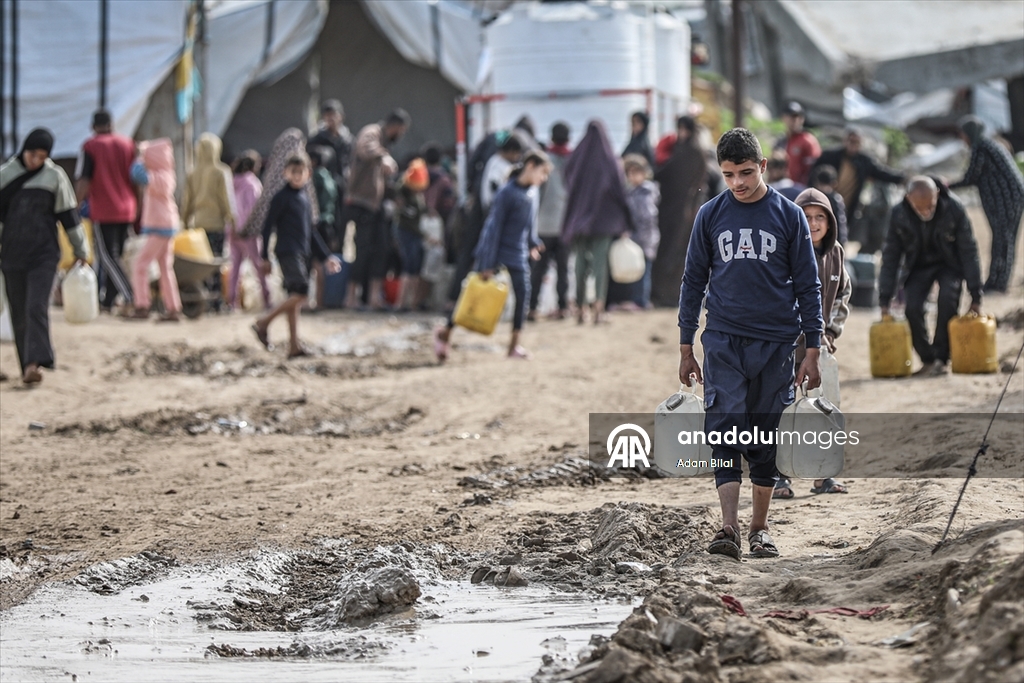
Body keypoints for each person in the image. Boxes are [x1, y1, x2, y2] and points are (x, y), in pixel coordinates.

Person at [678, 128, 822, 560]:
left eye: (745, 172)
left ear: (762, 166)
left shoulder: (789, 216)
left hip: (776, 343)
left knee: (762, 435)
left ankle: (760, 528)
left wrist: (812, 349)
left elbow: (808, 285)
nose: (737, 182)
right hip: (723, 339)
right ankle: (729, 527)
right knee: (724, 425)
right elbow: (692, 281)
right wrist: (686, 345)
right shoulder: (710, 215)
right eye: (728, 175)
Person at [434, 150, 551, 361]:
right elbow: (493, 228)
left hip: (518, 252)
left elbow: (529, 224)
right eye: (542, 172)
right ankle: (445, 332)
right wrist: (487, 263)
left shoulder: (533, 193)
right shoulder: (507, 192)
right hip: (497, 251)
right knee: (472, 296)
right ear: (530, 166)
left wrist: (533, 243)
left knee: (523, 294)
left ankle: (514, 345)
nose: (543, 178)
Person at [773, 188, 852, 499]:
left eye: (820, 217)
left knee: (824, 410)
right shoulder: (782, 251)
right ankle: (779, 477)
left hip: (819, 349)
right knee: (783, 413)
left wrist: (829, 332)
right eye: (806, 217)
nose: (814, 223)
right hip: (784, 349)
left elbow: (843, 294)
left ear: (830, 222)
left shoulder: (836, 253)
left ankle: (824, 475)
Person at [1, 128, 90, 384]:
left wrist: (80, 249)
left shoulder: (54, 177)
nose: (35, 161)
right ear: (24, 150)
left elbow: (69, 217)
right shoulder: (5, 175)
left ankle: (35, 363)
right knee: (18, 311)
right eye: (32, 155)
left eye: (42, 157)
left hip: (44, 254)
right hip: (12, 255)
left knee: (36, 306)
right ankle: (26, 366)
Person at [878, 176, 983, 377]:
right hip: (918, 266)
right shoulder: (899, 214)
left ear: (937, 194)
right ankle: (928, 359)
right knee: (912, 308)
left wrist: (976, 294)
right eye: (920, 208)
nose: (926, 212)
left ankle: (942, 358)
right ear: (908, 199)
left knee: (947, 301)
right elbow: (891, 256)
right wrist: (884, 299)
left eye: (930, 206)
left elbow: (969, 251)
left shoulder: (954, 208)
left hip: (949, 265)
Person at [252, 154, 341, 358]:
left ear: (308, 174)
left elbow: (311, 232)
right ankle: (263, 322)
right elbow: (267, 227)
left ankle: (294, 346)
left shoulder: (305, 198)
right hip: (287, 251)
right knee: (301, 293)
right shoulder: (281, 197)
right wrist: (264, 256)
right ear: (285, 173)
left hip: (302, 252)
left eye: (301, 172)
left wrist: (326, 257)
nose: (297, 176)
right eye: (293, 172)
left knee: (295, 298)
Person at [563, 121, 633, 325]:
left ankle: (580, 308)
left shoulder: (577, 158)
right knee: (600, 265)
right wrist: (626, 219)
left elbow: (568, 180)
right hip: (604, 222)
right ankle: (599, 309)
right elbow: (620, 190)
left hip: (579, 221)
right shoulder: (610, 160)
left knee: (580, 264)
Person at [949, 116, 1024, 293]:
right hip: (1011, 198)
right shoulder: (989, 146)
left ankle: (998, 283)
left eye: (962, 134)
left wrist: (947, 186)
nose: (962, 138)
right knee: (1005, 240)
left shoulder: (981, 148)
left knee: (1002, 240)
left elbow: (971, 177)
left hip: (1005, 200)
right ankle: (998, 281)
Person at [346, 108, 410, 310]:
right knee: (362, 249)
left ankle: (374, 297)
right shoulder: (372, 133)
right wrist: (383, 157)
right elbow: (366, 148)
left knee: (382, 249)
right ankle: (351, 297)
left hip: (376, 205)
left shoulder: (385, 142)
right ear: (396, 127)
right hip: (361, 202)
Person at [75, 109, 136, 311]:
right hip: (127, 208)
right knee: (116, 256)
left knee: (108, 256)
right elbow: (135, 178)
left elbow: (84, 179)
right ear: (112, 125)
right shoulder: (127, 144)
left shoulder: (90, 146)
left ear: (93, 127)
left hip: (105, 209)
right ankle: (109, 300)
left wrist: (75, 204)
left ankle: (131, 296)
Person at [811, 127, 905, 253]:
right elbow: (814, 175)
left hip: (847, 206)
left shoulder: (864, 162)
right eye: (851, 141)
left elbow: (881, 173)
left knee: (838, 237)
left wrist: (902, 179)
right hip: (824, 203)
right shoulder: (830, 156)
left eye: (856, 142)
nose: (853, 145)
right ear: (845, 141)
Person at [651, 116, 710, 308]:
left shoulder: (691, 151)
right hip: (674, 207)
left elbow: (669, 174)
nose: (682, 133)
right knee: (670, 250)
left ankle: (670, 295)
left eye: (685, 129)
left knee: (676, 251)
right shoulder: (684, 149)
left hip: (683, 210)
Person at [128, 138, 182, 322]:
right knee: (165, 268)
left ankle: (142, 305)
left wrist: (139, 156)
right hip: (166, 225)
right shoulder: (165, 174)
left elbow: (136, 173)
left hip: (160, 226)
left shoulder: (161, 176)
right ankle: (173, 308)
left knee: (140, 265)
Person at [181, 132, 236, 309]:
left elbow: (187, 202)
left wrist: (184, 222)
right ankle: (216, 301)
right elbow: (226, 200)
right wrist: (233, 221)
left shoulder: (192, 173)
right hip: (216, 225)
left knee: (201, 266)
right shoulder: (221, 172)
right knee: (215, 264)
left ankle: (203, 299)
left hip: (197, 226)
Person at [529, 122, 572, 321]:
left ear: (552, 138)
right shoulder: (573, 160)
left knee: (539, 269)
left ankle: (532, 308)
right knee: (563, 269)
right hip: (565, 225)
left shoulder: (544, 161)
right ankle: (563, 307)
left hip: (544, 225)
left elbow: (536, 192)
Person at [228, 151, 270, 311]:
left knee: (235, 267)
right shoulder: (252, 184)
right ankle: (267, 299)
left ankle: (232, 301)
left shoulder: (232, 182)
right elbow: (254, 209)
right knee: (259, 267)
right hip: (248, 231)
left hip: (232, 230)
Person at [308, 99, 352, 238]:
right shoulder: (316, 140)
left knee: (341, 227)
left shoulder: (348, 140)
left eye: (333, 115)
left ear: (341, 117)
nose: (330, 119)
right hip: (322, 190)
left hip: (342, 189)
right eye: (327, 116)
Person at [623, 154, 660, 309]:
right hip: (638, 237)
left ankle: (641, 301)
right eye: (630, 173)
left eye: (636, 172)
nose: (633, 176)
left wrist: (637, 236)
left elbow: (647, 217)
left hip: (645, 238)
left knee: (643, 272)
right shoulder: (633, 191)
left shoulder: (645, 192)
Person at [394, 158, 429, 311]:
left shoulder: (418, 195)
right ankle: (401, 303)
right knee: (408, 266)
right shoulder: (402, 191)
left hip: (416, 233)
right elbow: (405, 215)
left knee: (415, 267)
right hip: (406, 231)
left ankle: (412, 302)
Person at [307, 145, 339, 309]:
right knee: (322, 262)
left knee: (314, 263)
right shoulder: (329, 177)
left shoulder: (315, 177)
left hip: (317, 223)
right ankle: (319, 301)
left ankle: (310, 302)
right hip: (328, 223)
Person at [777, 101, 820, 186]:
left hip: (802, 187)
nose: (795, 121)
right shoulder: (781, 141)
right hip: (784, 186)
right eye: (792, 117)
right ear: (784, 118)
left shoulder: (807, 140)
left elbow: (814, 168)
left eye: (798, 117)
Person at [809, 165, 849, 245]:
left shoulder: (811, 198)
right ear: (834, 184)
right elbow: (841, 223)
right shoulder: (836, 199)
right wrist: (842, 242)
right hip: (830, 240)